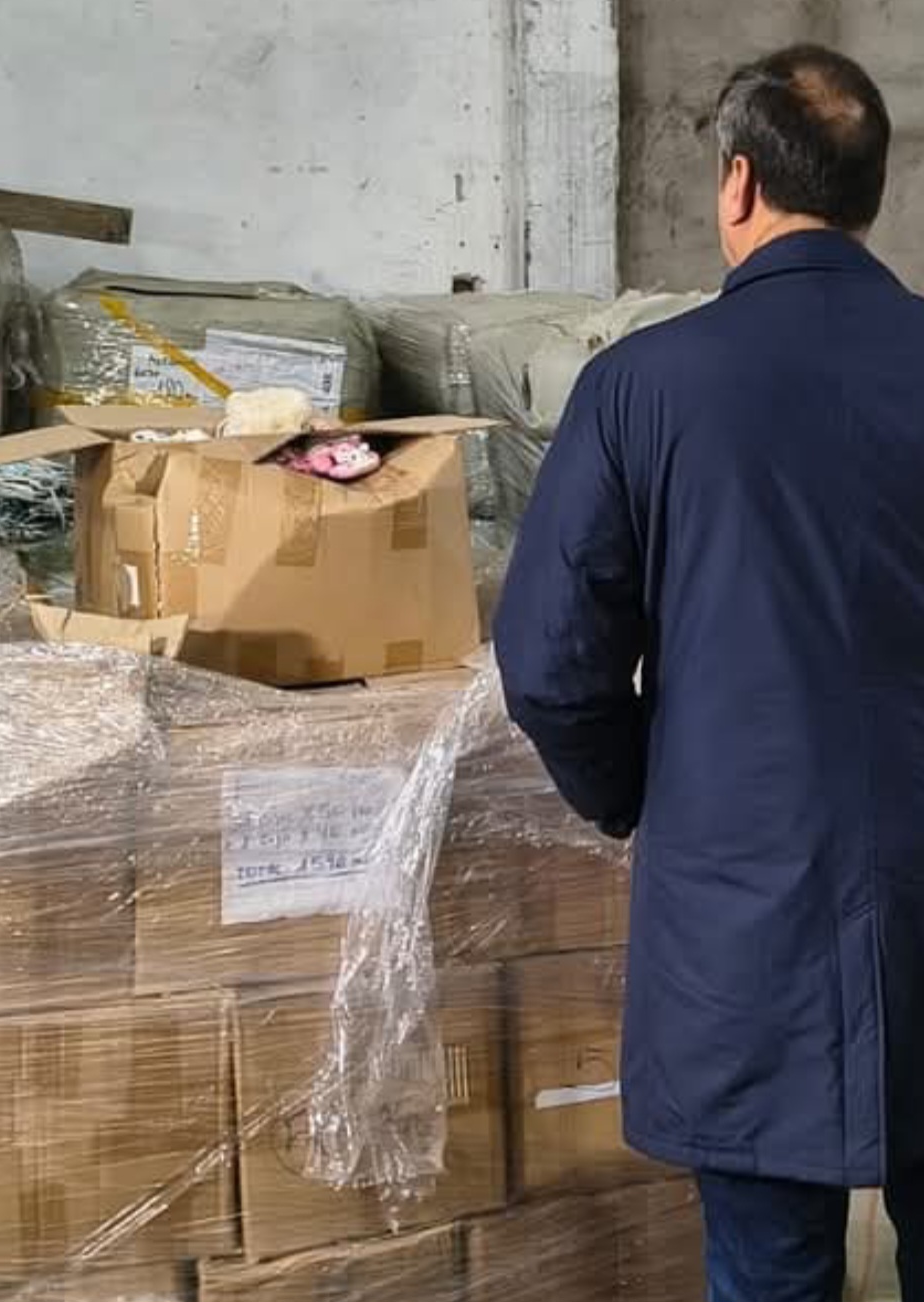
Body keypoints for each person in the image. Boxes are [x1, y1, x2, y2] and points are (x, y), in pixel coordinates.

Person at [494, 44, 924, 1302]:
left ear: (738, 183)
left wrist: (641, 793)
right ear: (870, 191)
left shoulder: (643, 385)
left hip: (744, 918)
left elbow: (549, 663)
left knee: (769, 1268)